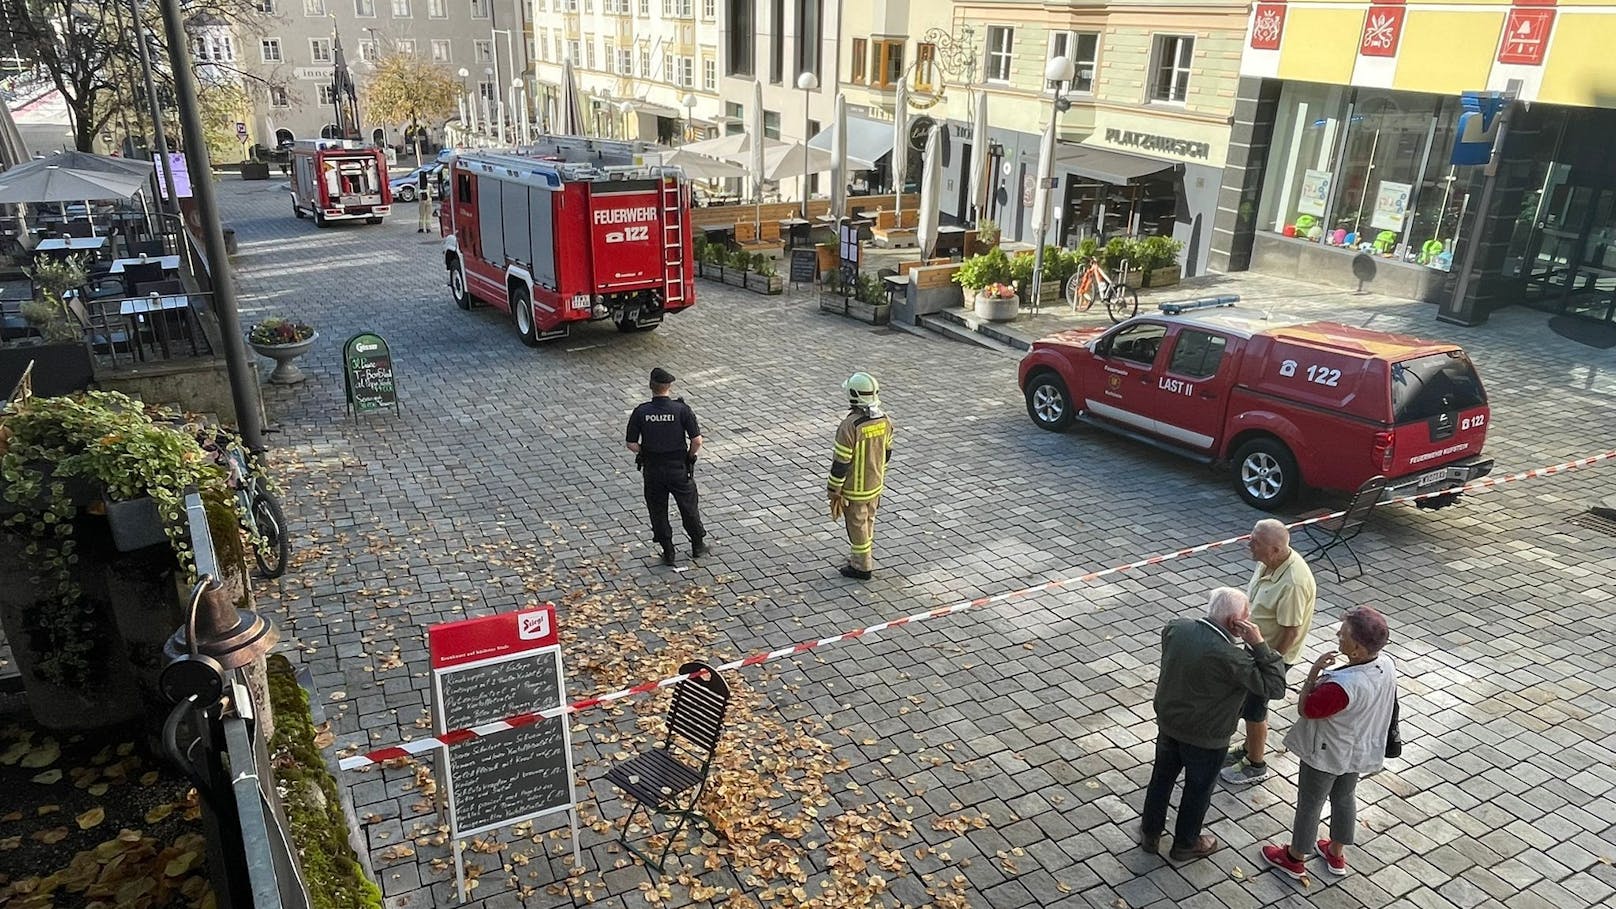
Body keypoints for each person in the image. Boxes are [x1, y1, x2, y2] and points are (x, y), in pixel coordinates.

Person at [1141, 587, 1286, 862]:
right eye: (1248, 616)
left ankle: (1150, 833)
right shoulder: (1234, 658)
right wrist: (1258, 644)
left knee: (1161, 778)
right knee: (1197, 790)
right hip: (1207, 739)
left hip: (1169, 724)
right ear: (1236, 623)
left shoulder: (1177, 628)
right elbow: (1276, 687)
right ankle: (1185, 843)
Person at [1261, 606, 1397, 880]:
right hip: (1358, 748)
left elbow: (1306, 709)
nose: (1338, 634)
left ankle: (1295, 857)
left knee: (1310, 803)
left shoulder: (1341, 686)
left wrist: (1313, 674)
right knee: (1345, 796)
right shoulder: (1386, 665)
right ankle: (1336, 852)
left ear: (1357, 649)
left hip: (1326, 752)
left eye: (1344, 633)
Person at [1223, 518, 1317, 786]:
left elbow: (1291, 632)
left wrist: (1268, 663)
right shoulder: (1268, 562)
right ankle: (1248, 748)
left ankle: (1256, 764)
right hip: (1257, 646)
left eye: (1256, 542)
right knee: (1250, 703)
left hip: (1272, 654)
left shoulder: (1293, 583)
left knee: (1255, 706)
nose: (1248, 544)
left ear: (1275, 549)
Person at [625, 367, 706, 566]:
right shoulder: (681, 410)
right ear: (669, 386)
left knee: (657, 510)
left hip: (653, 470)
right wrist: (689, 457)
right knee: (688, 507)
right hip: (678, 468)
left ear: (651, 387)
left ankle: (668, 551)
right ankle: (697, 544)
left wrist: (645, 452)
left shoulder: (641, 412)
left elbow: (631, 444)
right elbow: (697, 441)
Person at [826, 372, 893, 580]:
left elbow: (841, 463)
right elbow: (887, 452)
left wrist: (833, 489)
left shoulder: (850, 426)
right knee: (868, 521)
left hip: (854, 489)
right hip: (875, 484)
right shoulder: (885, 420)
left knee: (857, 527)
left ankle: (862, 566)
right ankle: (861, 556)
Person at [415, 168, 433, 233]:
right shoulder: (429, 185)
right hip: (429, 201)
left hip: (421, 202)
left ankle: (421, 228)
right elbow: (432, 192)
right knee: (428, 215)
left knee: (421, 215)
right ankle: (428, 228)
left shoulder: (418, 186)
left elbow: (416, 194)